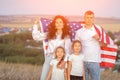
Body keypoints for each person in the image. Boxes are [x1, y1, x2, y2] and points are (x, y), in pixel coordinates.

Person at [32, 15, 72, 80]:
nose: (58, 24)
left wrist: (64, 61)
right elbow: (36, 37)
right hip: (49, 58)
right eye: (57, 22)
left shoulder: (66, 36)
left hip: (60, 60)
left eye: (60, 22)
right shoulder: (50, 34)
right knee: (44, 78)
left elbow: (68, 51)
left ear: (63, 24)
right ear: (54, 25)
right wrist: (36, 24)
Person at [75, 10, 101, 80]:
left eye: (91, 18)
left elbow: (105, 45)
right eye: (87, 17)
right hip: (82, 61)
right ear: (84, 18)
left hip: (94, 61)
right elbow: (75, 47)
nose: (89, 19)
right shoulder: (79, 32)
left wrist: (98, 38)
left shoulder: (98, 30)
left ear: (93, 19)